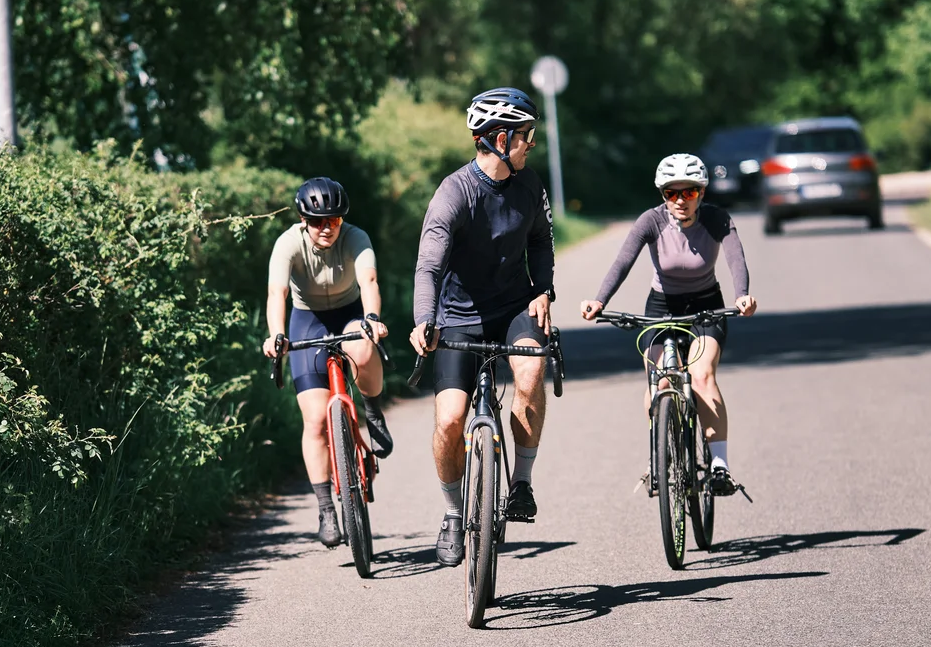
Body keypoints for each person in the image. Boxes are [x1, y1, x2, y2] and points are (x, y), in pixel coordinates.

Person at [410, 87, 557, 567]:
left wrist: (543, 289)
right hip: (456, 316)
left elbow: (539, 241)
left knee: (531, 373)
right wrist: (423, 319)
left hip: (514, 306)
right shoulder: (454, 193)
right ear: (499, 138)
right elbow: (428, 265)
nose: (531, 143)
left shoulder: (531, 185)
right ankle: (454, 513)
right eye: (525, 135)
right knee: (450, 420)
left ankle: (521, 483)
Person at [579, 153, 756, 494]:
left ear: (701, 193)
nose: (679, 201)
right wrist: (599, 300)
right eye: (671, 193)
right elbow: (622, 262)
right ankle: (660, 451)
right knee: (657, 383)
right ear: (662, 194)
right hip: (661, 307)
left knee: (702, 376)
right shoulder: (651, 221)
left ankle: (720, 465)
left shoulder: (717, 219)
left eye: (688, 193)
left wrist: (743, 295)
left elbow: (736, 259)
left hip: (707, 307)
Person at [262, 177, 392, 547]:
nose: (325, 228)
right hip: (308, 320)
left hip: (351, 313)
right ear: (303, 219)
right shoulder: (288, 243)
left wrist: (372, 318)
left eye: (332, 220)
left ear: (341, 219)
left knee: (364, 348)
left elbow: (369, 281)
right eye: (317, 221)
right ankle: (325, 510)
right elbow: (277, 293)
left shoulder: (356, 237)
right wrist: (275, 334)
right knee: (316, 420)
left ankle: (372, 409)